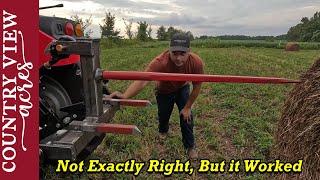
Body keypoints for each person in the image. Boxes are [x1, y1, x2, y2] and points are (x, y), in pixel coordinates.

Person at [110, 32, 204, 160]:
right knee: (164, 113)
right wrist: (125, 95)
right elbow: (143, 80)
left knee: (187, 117)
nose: (178, 58)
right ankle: (163, 130)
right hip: (164, 90)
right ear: (169, 50)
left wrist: (187, 107)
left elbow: (197, 86)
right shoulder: (160, 62)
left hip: (182, 88)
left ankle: (190, 146)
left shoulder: (196, 62)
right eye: (174, 53)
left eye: (182, 54)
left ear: (189, 51)